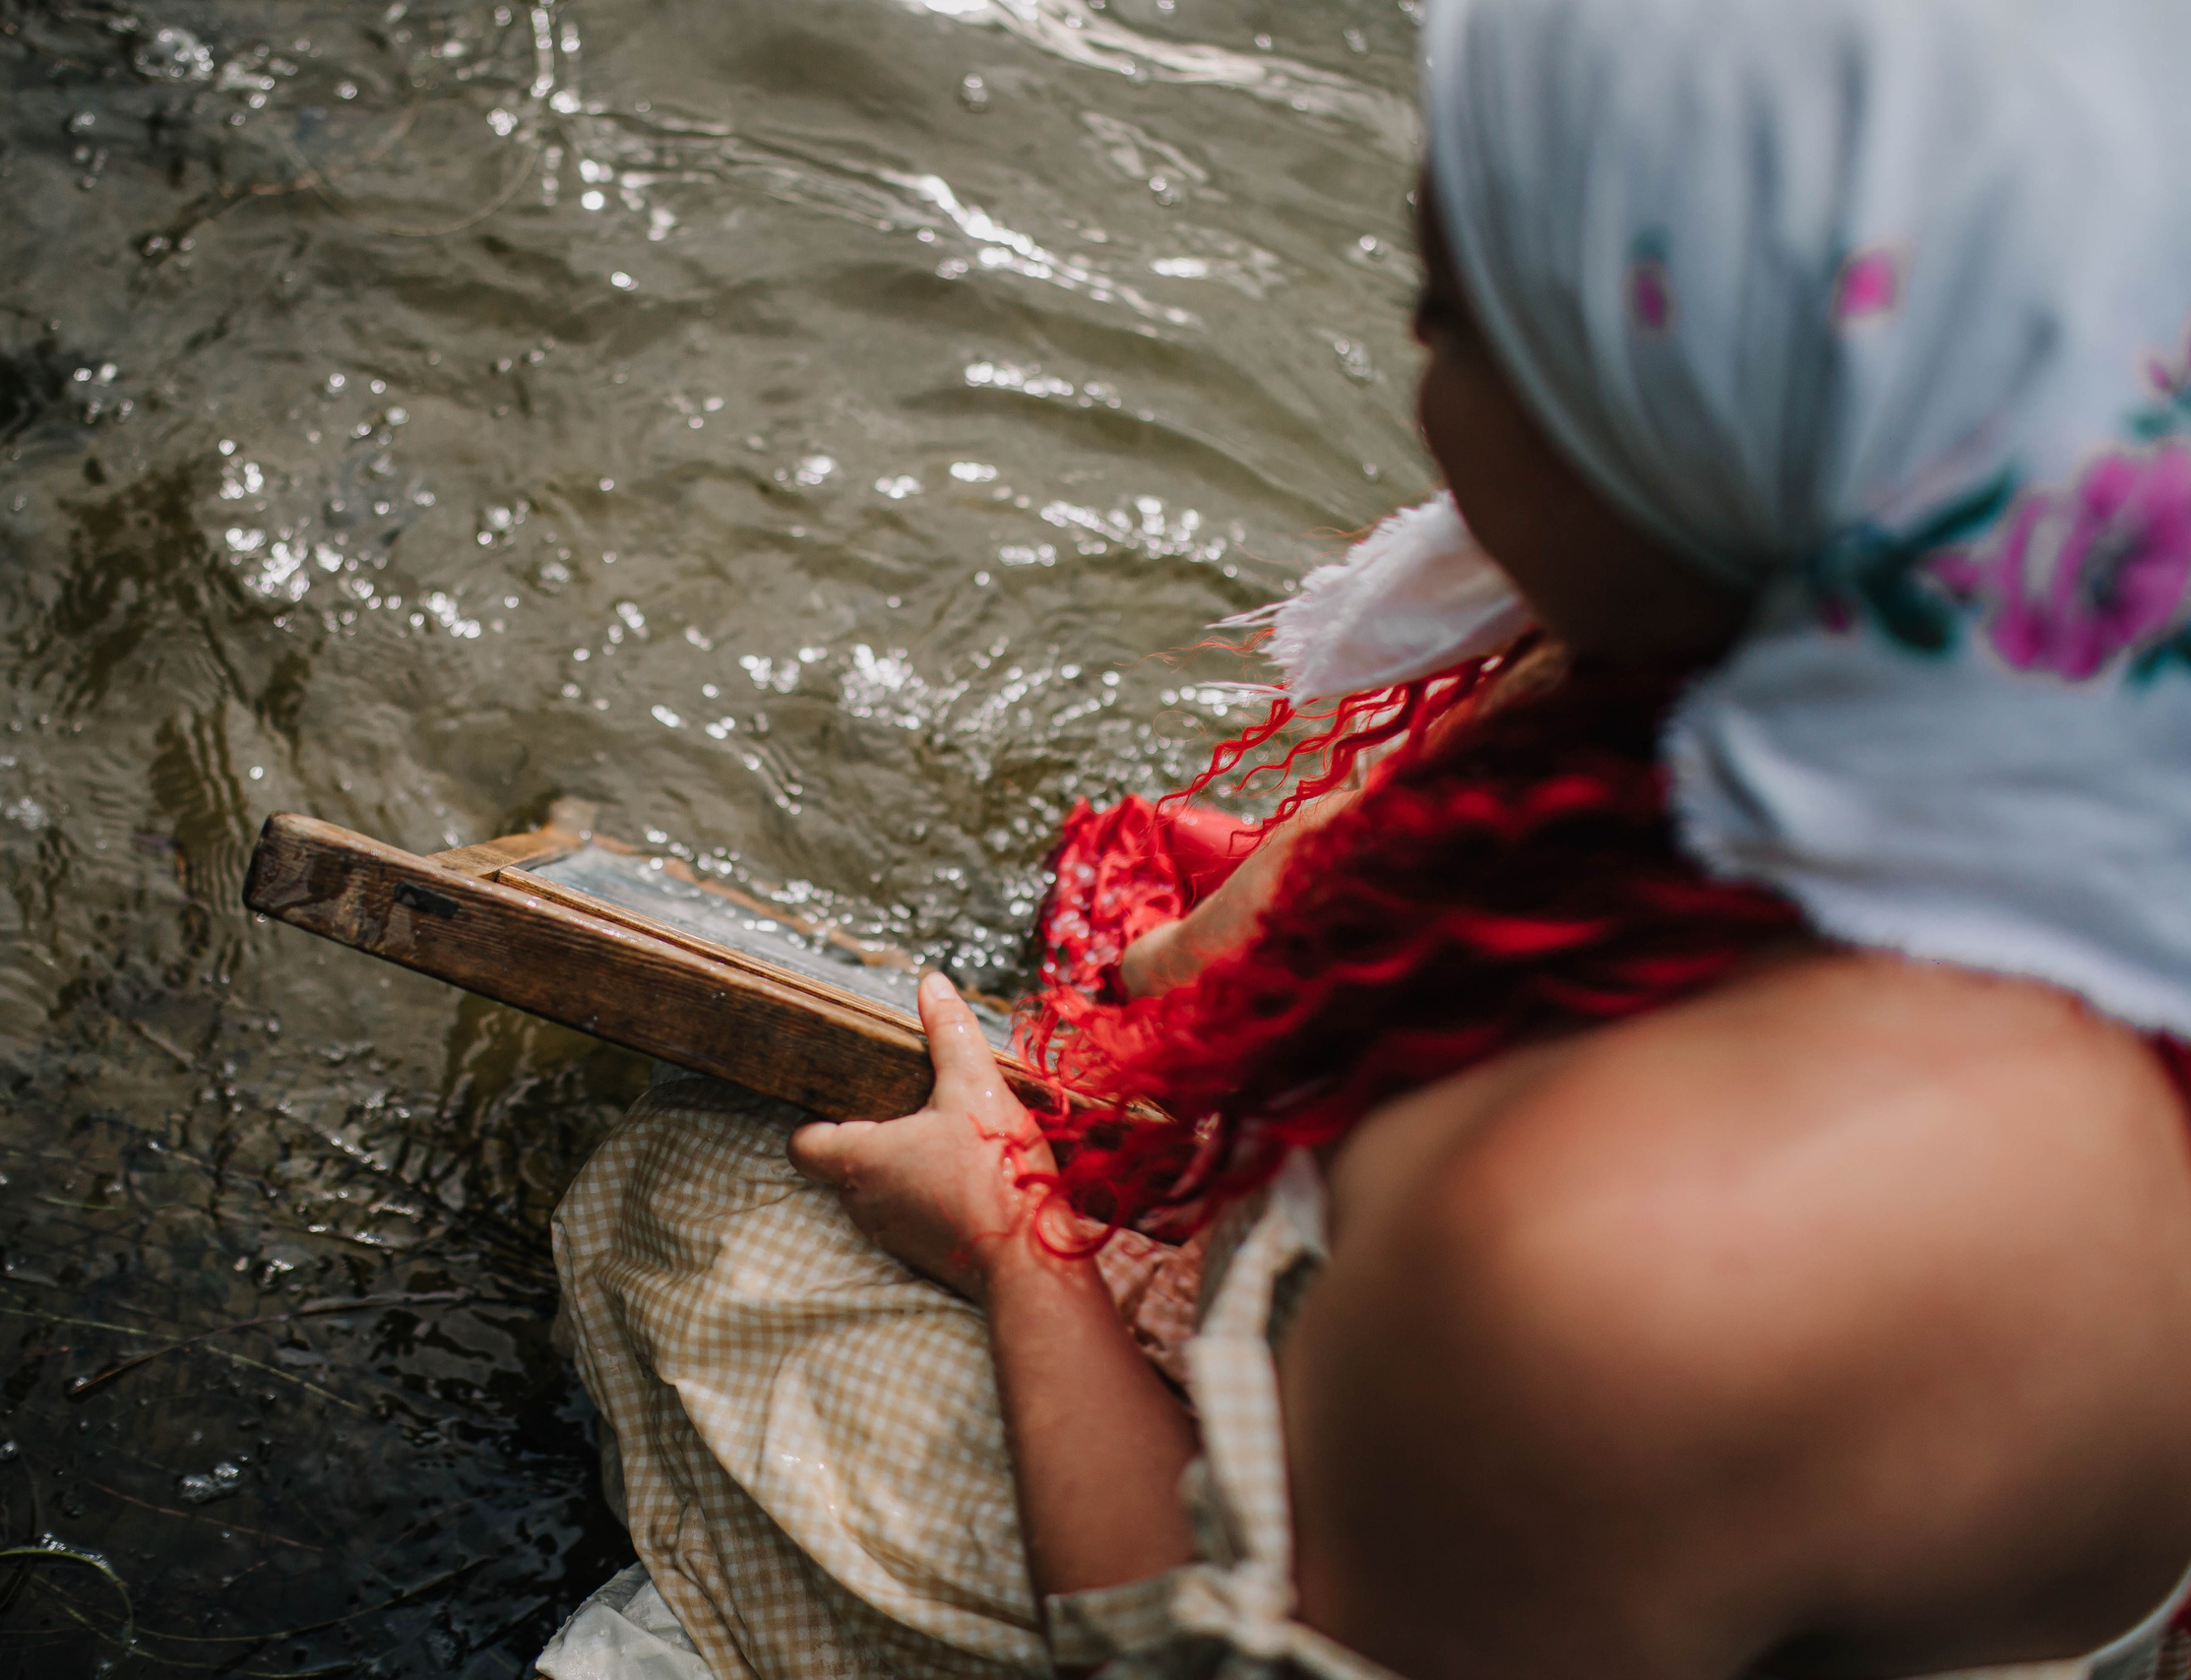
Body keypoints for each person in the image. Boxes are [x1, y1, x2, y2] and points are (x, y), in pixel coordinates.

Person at [550, 1, 2191, 1675]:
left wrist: (1010, 1244)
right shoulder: (2026, 652)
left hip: (1483, 1545)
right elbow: (1199, 955)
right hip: (1708, 1537)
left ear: (1677, 433)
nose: (1421, 380)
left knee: (684, 1199)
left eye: (1459, 321)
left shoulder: (1595, 1254)